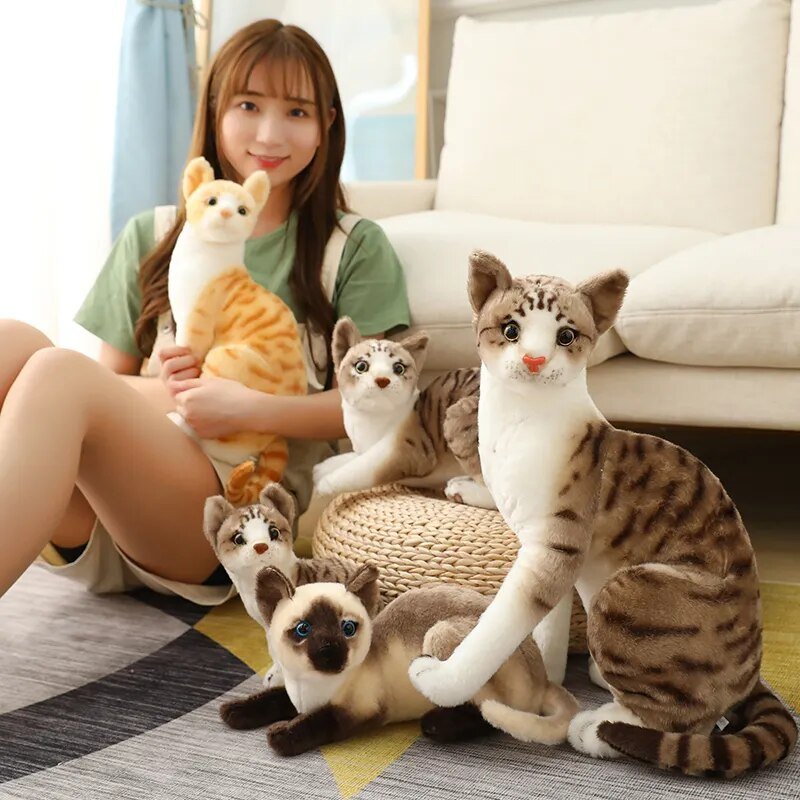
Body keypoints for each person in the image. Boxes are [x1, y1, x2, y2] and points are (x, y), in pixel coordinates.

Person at [0, 20, 410, 604]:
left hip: (234, 514)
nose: (270, 133)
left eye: (297, 112)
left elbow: (376, 409)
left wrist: (251, 406)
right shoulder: (155, 232)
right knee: (13, 340)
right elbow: (107, 385)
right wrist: (175, 392)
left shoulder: (353, 247)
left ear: (327, 126)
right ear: (215, 110)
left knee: (53, 372)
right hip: (102, 515)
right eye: (249, 104)